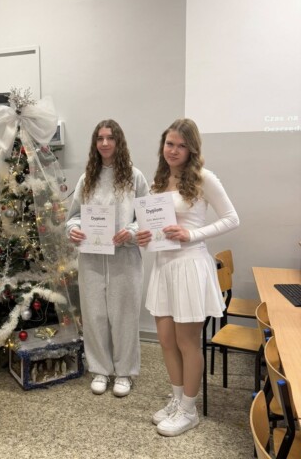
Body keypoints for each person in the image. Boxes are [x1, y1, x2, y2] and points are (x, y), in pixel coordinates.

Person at [135, 118, 239, 436]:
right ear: (162, 145)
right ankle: (177, 399)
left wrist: (191, 234)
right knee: (167, 341)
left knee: (187, 343)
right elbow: (154, 227)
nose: (174, 150)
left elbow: (232, 218)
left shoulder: (204, 178)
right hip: (164, 266)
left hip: (190, 266)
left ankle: (189, 410)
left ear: (192, 149)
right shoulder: (159, 179)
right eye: (170, 144)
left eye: (181, 145)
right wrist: (143, 237)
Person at [66, 119, 149, 397]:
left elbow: (147, 217)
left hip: (125, 259)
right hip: (91, 259)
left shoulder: (135, 177)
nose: (104, 143)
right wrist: (73, 229)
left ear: (119, 141)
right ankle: (100, 369)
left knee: (125, 316)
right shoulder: (86, 178)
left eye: (110, 138)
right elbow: (73, 217)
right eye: (100, 138)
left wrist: (132, 231)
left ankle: (124, 372)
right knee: (95, 315)